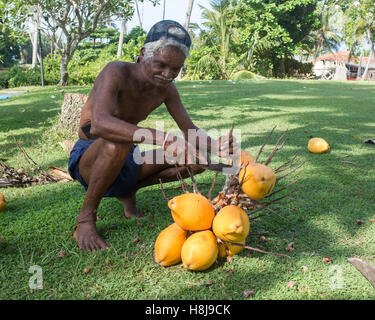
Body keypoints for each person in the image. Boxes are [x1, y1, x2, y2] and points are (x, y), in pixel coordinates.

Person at [68, 20, 236, 251]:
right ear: (144, 54)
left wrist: (216, 146)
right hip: (89, 156)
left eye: (176, 69)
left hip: (125, 157)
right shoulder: (116, 71)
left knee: (197, 161)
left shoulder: (166, 89)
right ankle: (86, 219)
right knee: (118, 143)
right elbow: (96, 125)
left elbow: (188, 129)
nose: (168, 74)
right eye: (161, 64)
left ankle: (129, 189)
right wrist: (164, 138)